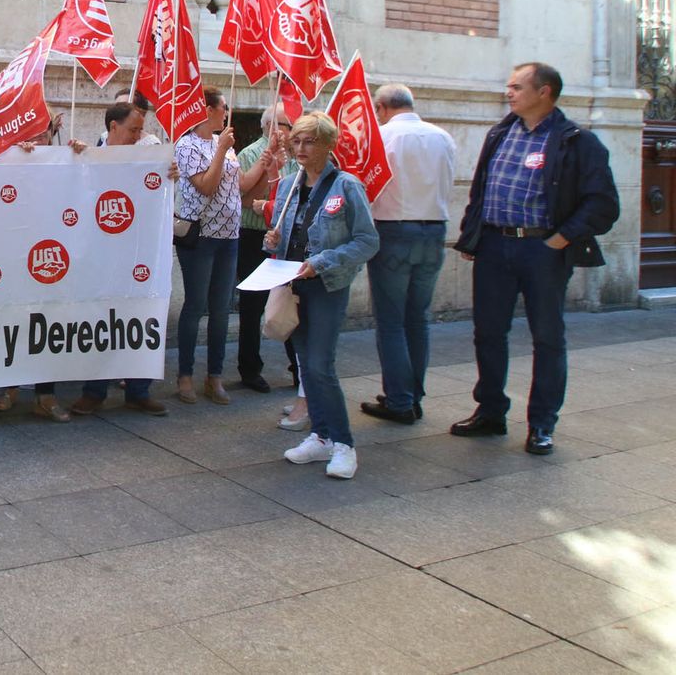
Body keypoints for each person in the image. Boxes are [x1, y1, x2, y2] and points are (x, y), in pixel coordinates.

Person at [451, 63, 619, 455]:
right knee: (488, 333)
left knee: (547, 338)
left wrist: (561, 239)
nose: (508, 92)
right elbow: (480, 191)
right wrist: (473, 234)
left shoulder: (577, 141)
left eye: (516, 86)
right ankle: (491, 411)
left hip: (541, 250)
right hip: (494, 246)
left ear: (544, 92)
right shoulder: (500, 132)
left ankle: (542, 423)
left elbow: (604, 204)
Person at [264, 112, 379, 480]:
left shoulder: (347, 186)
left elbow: (367, 241)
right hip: (292, 285)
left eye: (309, 141)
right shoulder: (286, 186)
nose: (300, 148)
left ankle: (344, 443)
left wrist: (323, 261)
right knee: (304, 364)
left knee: (320, 365)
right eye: (296, 140)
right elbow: (284, 234)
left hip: (327, 285)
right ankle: (321, 436)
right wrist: (273, 242)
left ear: (329, 145)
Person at [173, 86, 280, 405]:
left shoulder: (227, 146)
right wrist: (220, 150)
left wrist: (265, 162)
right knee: (196, 305)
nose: (226, 112)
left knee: (221, 309)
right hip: (200, 235)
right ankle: (185, 375)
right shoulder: (188, 144)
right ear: (205, 110)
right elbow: (205, 186)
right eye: (222, 108)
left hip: (228, 236)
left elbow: (242, 187)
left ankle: (214, 376)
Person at [70, 100, 172, 417]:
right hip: (100, 254)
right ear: (113, 127)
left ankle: (138, 390)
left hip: (137, 253)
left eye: (141, 130)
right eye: (133, 129)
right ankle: (94, 391)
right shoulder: (88, 154)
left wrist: (169, 174)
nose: (139, 135)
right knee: (100, 320)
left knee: (140, 316)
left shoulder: (146, 157)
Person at [362, 84, 456, 425]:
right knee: (418, 318)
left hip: (394, 230)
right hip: (434, 229)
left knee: (391, 321)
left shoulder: (383, 137)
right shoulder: (442, 137)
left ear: (382, 107)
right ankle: (412, 394)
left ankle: (400, 400)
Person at [0, 115, 75, 422]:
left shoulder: (64, 160)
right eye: (32, 133)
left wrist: (79, 154)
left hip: (50, 260)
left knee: (47, 323)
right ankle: (10, 387)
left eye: (44, 133)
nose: (38, 140)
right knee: (15, 323)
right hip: (14, 260)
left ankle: (45, 394)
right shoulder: (10, 159)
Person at [234, 105, 296, 394]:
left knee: (292, 301)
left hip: (286, 238)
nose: (292, 131)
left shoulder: (296, 157)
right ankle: (250, 368)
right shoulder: (248, 154)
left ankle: (298, 367)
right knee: (252, 305)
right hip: (253, 235)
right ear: (272, 127)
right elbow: (247, 200)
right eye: (287, 125)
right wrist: (271, 172)